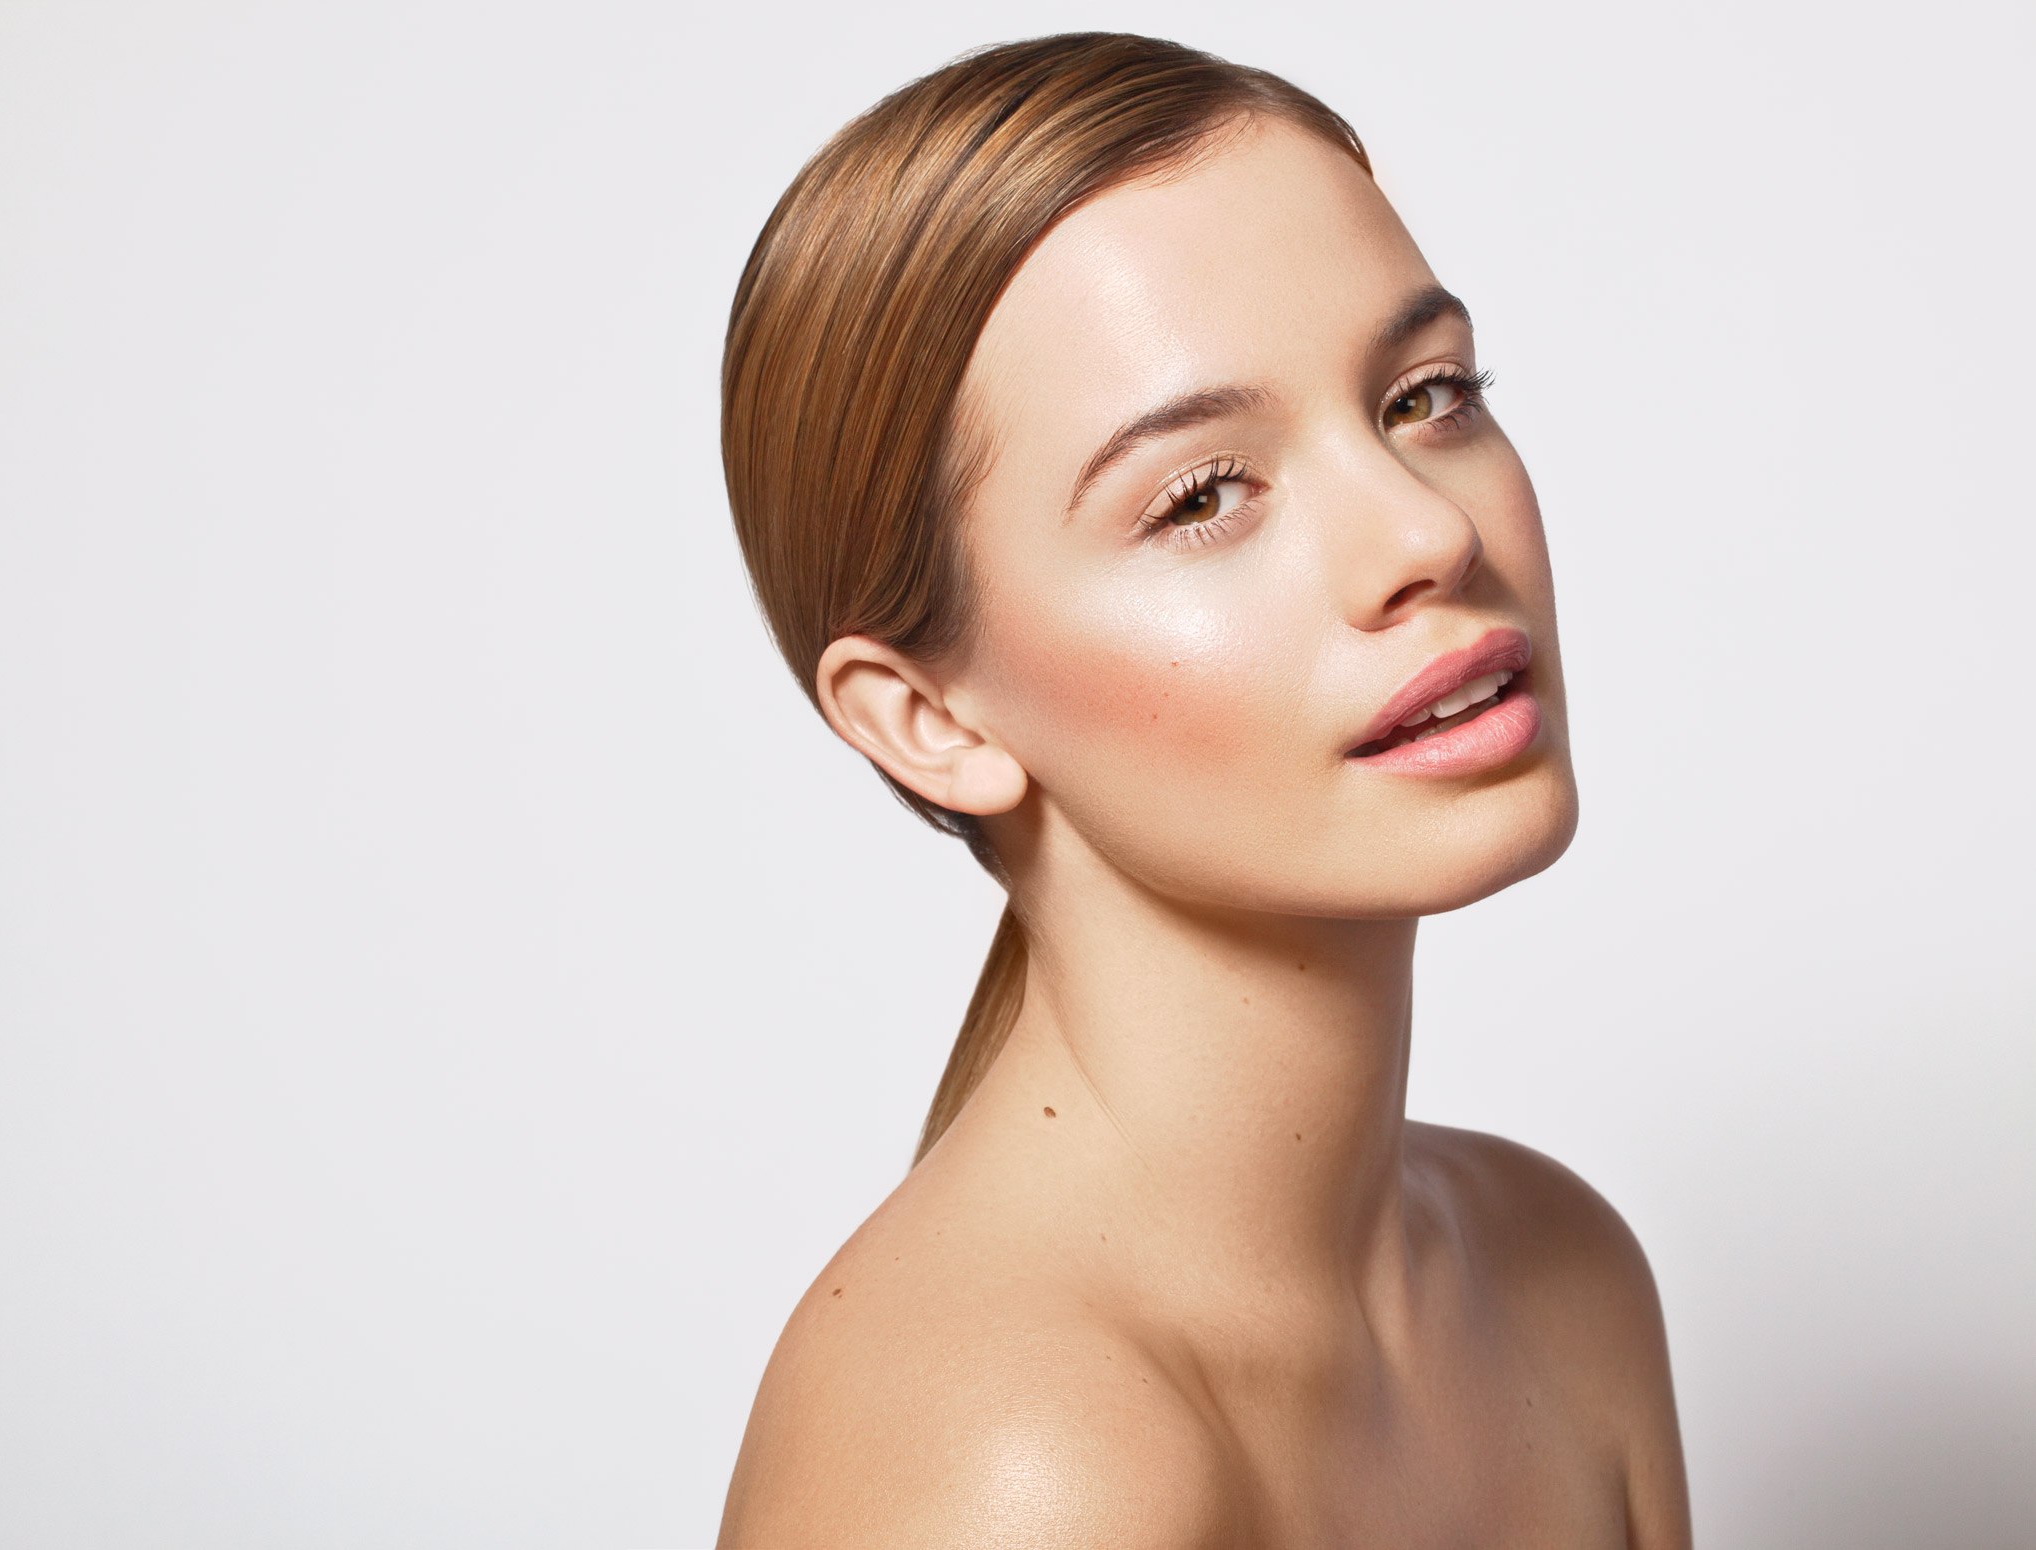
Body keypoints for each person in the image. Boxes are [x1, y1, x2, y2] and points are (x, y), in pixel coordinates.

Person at [714, 31, 1689, 1547]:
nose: (1426, 534)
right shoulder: (1017, 1466)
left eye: (1427, 395)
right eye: (1199, 495)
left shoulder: (1562, 1280)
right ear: (927, 719)